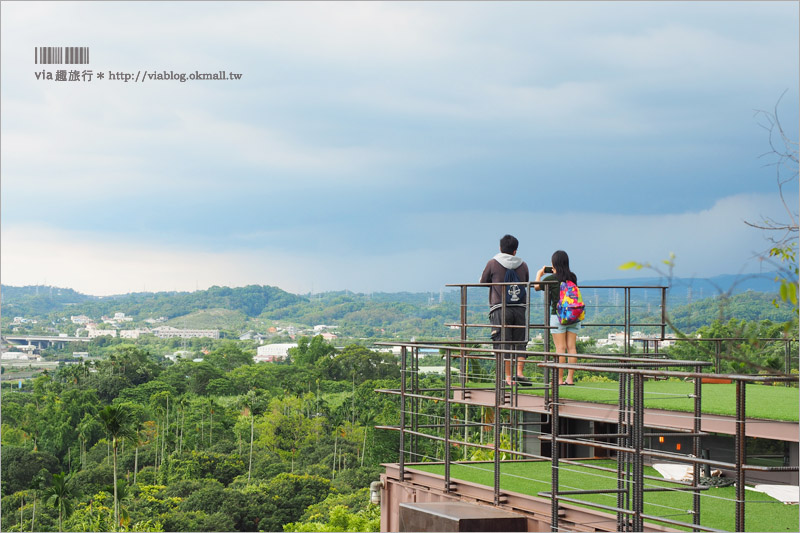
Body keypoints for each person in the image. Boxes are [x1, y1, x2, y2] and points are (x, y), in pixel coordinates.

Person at [480, 234, 530, 386]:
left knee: (503, 342)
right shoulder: (523, 265)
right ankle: (519, 373)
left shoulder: (493, 263)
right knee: (520, 340)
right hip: (520, 307)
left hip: (500, 308)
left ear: (500, 248)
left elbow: (483, 282)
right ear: (515, 251)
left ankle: (508, 377)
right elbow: (526, 282)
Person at [534, 250, 581, 385]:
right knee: (571, 347)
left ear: (553, 264)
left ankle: (559, 379)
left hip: (558, 315)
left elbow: (537, 287)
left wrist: (539, 274)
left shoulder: (551, 279)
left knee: (560, 348)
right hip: (573, 315)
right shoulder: (573, 277)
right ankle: (570, 378)